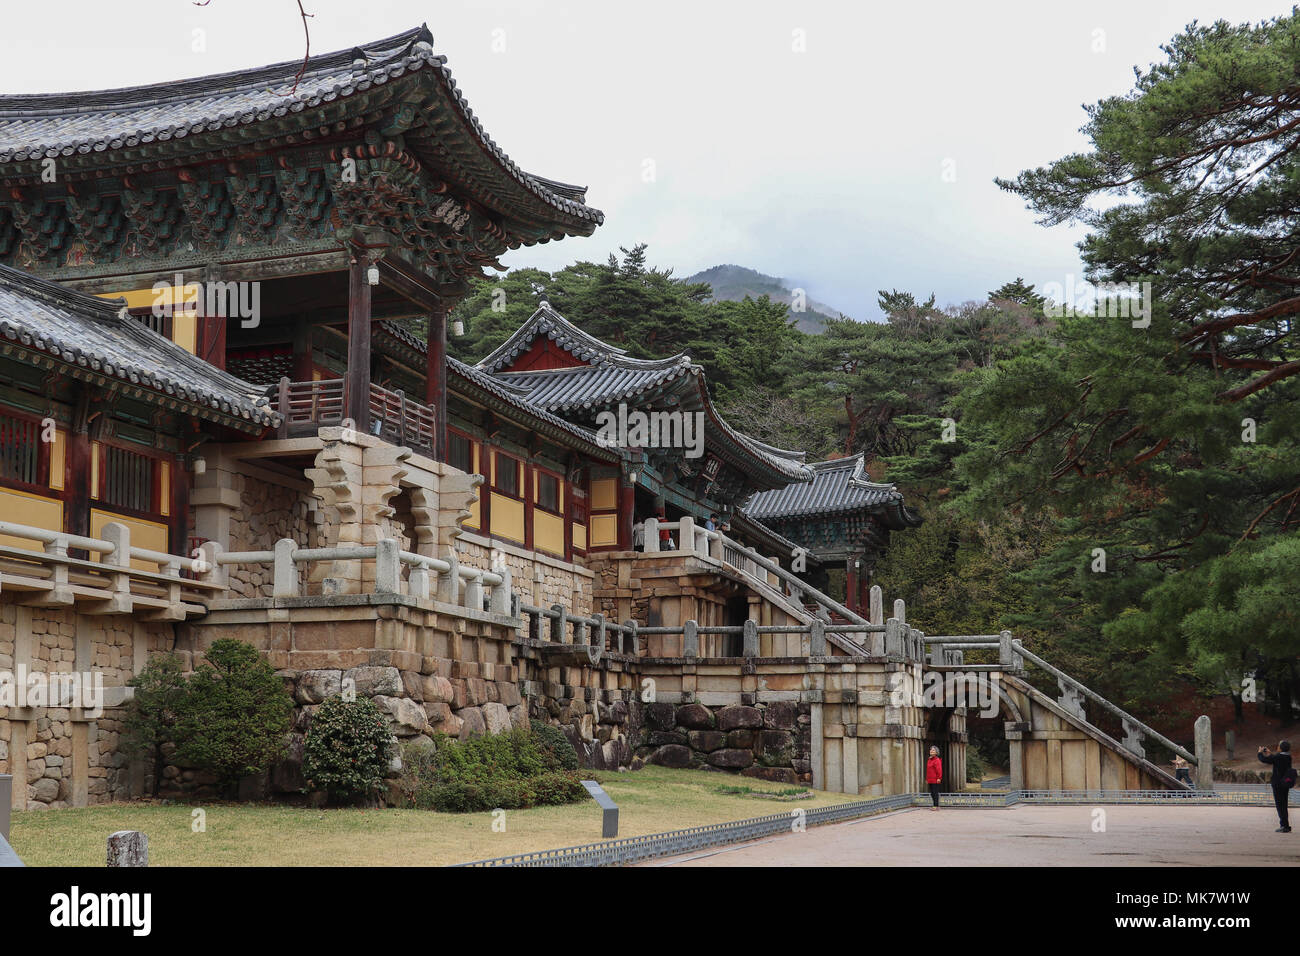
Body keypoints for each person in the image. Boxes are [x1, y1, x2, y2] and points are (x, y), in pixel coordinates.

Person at [1258, 741, 1294, 833]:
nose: (1277, 747)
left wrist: (1259, 753)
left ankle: (1284, 826)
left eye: (1278, 746)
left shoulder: (1278, 757)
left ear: (1280, 748)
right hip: (1285, 783)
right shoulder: (1288, 757)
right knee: (1284, 804)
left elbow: (1264, 760)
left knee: (1279, 805)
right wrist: (1270, 754)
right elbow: (1276, 759)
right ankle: (1285, 825)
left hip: (1278, 784)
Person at [926, 746, 943, 810]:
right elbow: (928, 770)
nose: (931, 751)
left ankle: (936, 806)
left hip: (935, 779)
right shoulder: (929, 759)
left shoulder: (937, 760)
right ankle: (935, 805)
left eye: (933, 750)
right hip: (930, 779)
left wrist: (939, 778)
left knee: (935, 792)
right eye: (930, 750)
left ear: (936, 752)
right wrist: (927, 779)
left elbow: (939, 770)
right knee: (932, 793)